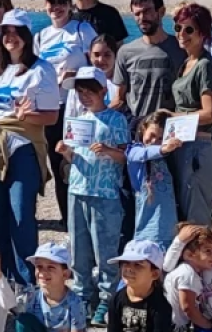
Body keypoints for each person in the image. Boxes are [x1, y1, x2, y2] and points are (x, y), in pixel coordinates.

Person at [0, 9, 58, 285]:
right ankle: (1, 278)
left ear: (26, 36)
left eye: (17, 32)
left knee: (21, 215)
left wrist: (27, 116)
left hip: (22, 148)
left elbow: (52, 116)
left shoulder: (41, 69)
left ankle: (26, 281)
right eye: (6, 32)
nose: (10, 37)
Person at [55, 67, 129, 324]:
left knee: (105, 248)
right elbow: (73, 157)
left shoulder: (116, 120)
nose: (85, 96)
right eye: (80, 92)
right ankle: (83, 295)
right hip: (77, 189)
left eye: (89, 91)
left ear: (103, 91)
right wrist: (65, 151)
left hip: (105, 193)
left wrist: (109, 151)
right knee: (79, 247)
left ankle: (107, 299)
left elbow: (125, 157)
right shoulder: (77, 120)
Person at [36, 0, 98, 224]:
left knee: (79, 158)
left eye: (62, 2)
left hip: (77, 108)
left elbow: (97, 65)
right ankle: (67, 218)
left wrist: (74, 76)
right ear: (46, 5)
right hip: (51, 107)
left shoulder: (82, 30)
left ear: (69, 4)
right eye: (52, 2)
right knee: (57, 159)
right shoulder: (41, 36)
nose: (56, 7)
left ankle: (87, 213)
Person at [169, 3, 212, 225]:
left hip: (198, 148)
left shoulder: (204, 66)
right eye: (178, 28)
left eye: (189, 29)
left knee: (197, 216)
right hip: (183, 144)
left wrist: (171, 118)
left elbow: (211, 113)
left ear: (202, 33)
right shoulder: (187, 63)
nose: (182, 34)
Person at [114, 0, 185, 121]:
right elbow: (119, 98)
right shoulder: (125, 52)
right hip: (137, 128)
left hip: (171, 125)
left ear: (161, 12)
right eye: (137, 14)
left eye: (147, 11)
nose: (142, 17)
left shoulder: (181, 49)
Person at [127, 111, 182, 249]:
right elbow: (140, 154)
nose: (154, 141)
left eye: (160, 138)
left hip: (169, 223)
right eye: (152, 135)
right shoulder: (134, 150)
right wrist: (163, 149)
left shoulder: (167, 158)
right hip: (147, 223)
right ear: (143, 129)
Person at [16, 242, 87, 332]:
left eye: (50, 267)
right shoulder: (32, 297)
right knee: (23, 320)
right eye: (39, 267)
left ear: (65, 274)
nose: (43, 272)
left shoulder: (74, 303)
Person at [106, 240, 174, 332]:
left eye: (137, 265)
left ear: (154, 274)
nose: (128, 268)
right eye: (125, 263)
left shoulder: (161, 306)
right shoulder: (116, 300)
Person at [163, 225, 212, 332]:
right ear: (189, 255)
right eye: (208, 251)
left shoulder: (186, 270)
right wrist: (208, 325)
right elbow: (188, 307)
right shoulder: (188, 275)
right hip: (175, 327)